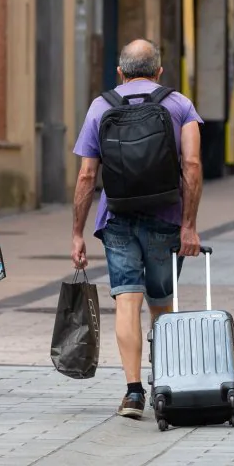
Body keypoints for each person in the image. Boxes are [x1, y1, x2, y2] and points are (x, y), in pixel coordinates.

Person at [69, 39, 204, 420]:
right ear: (160, 71)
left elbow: (86, 176)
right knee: (162, 303)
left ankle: (132, 393)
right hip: (167, 218)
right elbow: (192, 166)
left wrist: (77, 232)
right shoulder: (179, 105)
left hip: (118, 218)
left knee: (127, 300)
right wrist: (189, 225)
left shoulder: (101, 106)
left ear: (120, 72)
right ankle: (165, 381)